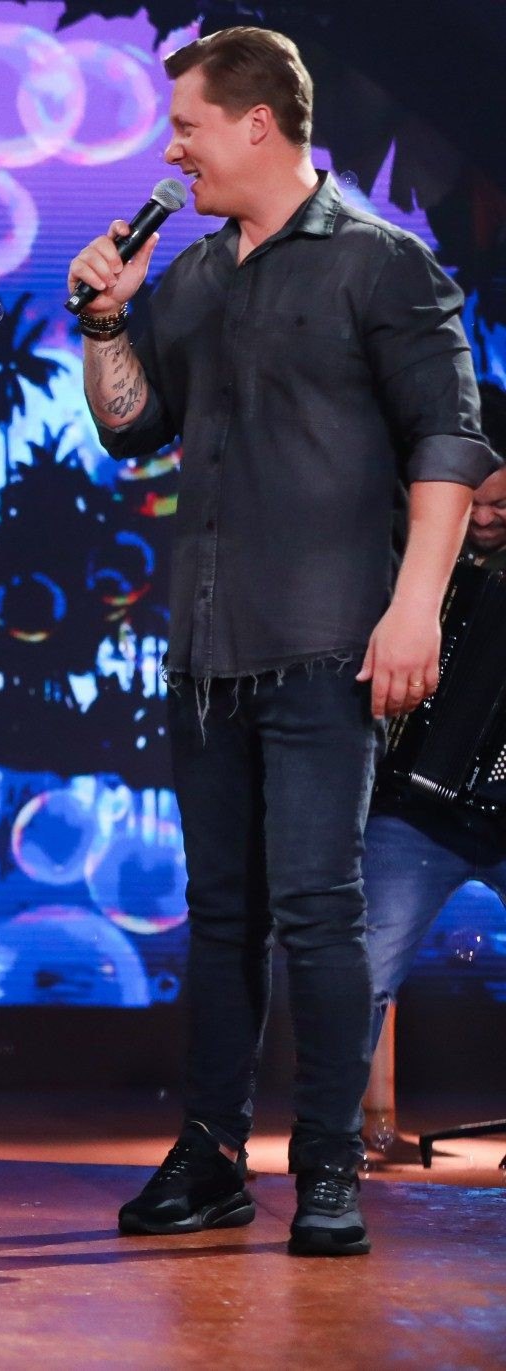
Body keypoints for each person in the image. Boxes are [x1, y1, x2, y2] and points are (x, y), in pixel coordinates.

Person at [70, 28, 496, 1256]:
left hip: (325, 647)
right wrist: (107, 322)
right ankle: (209, 1157)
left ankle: (326, 1168)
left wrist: (413, 608)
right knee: (221, 917)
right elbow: (132, 426)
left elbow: (449, 445)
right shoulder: (198, 274)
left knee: (319, 910)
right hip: (207, 658)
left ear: (257, 123)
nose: (173, 152)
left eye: (187, 127)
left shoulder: (384, 264)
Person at [360, 384, 506, 1158]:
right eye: (469, 505)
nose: (482, 520)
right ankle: (341, 1136)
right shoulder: (406, 557)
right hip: (416, 810)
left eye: (500, 506)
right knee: (357, 973)